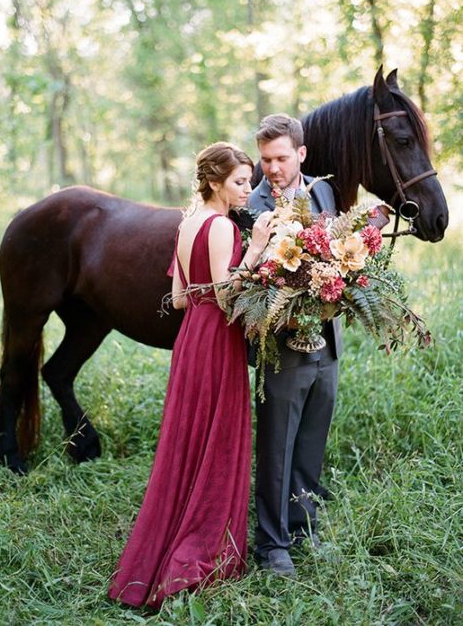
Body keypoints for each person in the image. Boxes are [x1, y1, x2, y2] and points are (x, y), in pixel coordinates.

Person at [108, 142, 272, 609]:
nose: (248, 189)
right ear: (216, 183)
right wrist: (256, 248)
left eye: (249, 180)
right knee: (217, 437)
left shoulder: (187, 223)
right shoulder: (220, 225)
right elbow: (224, 296)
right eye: (240, 181)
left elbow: (181, 298)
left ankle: (176, 527)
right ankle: (203, 545)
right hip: (217, 339)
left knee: (190, 438)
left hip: (191, 338)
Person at [248, 114, 343, 576]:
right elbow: (251, 286)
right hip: (282, 349)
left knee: (310, 441)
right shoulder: (253, 206)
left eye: (281, 158)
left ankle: (303, 528)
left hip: (327, 343)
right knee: (276, 445)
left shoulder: (323, 191)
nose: (272, 168)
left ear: (301, 155)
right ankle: (271, 544)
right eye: (265, 160)